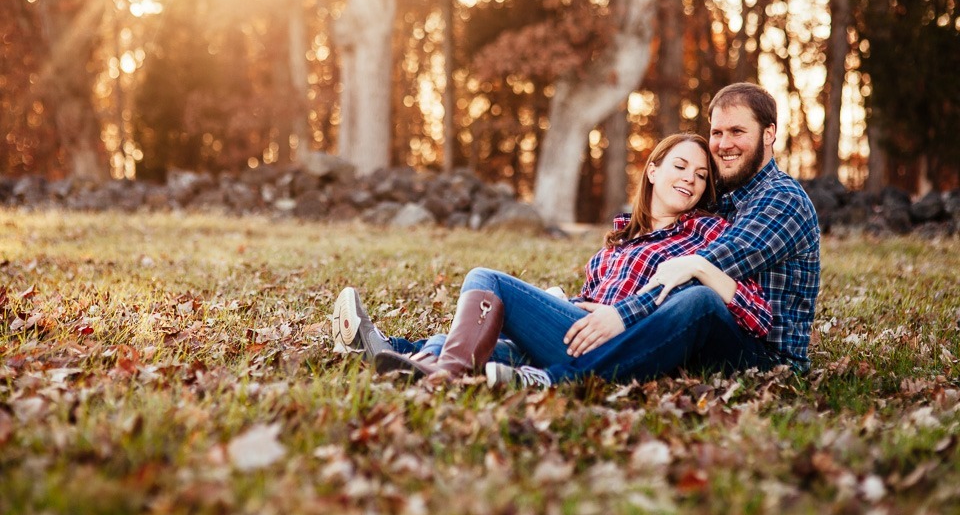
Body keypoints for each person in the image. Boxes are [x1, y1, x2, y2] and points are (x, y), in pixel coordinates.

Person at [333, 132, 774, 386]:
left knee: (488, 278)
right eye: (680, 166)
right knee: (498, 336)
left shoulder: (710, 232)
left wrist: (621, 312)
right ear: (653, 171)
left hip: (640, 341)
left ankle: (439, 371)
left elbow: (754, 316)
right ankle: (403, 356)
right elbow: (587, 305)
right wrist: (568, 303)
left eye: (700, 176)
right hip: (581, 334)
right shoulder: (615, 245)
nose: (690, 180)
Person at [485, 81, 821, 387]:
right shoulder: (727, 196)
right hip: (685, 336)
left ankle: (558, 380)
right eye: (717, 132)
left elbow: (698, 269)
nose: (723, 143)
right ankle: (440, 354)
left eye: (737, 131)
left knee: (699, 299)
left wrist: (620, 315)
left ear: (769, 133)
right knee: (523, 312)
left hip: (765, 357)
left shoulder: (781, 200)